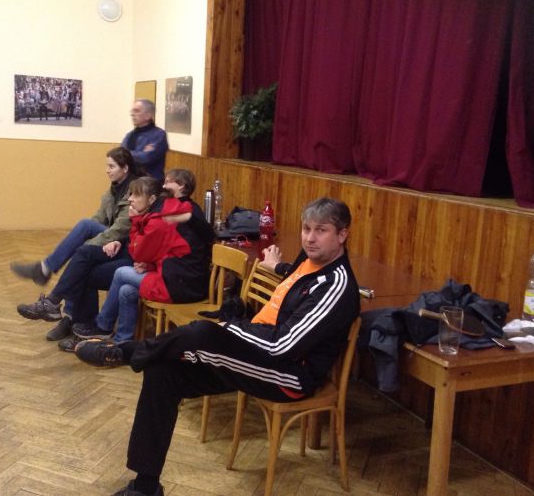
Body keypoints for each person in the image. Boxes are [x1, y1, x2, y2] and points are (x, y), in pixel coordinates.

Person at [75, 198, 360, 496]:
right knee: (162, 371)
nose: (310, 238)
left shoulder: (336, 285)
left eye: (321, 230)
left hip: (287, 375)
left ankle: (126, 352)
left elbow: (282, 346)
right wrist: (277, 268)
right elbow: (297, 284)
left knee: (203, 333)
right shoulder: (310, 260)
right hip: (259, 353)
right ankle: (145, 487)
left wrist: (232, 329)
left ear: (342, 234)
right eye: (306, 228)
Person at [69, 171, 215, 343]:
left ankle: (102, 326)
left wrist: (135, 221)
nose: (163, 186)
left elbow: (138, 253)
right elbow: (167, 250)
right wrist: (150, 264)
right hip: (180, 277)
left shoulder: (170, 214)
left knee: (121, 273)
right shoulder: (179, 210)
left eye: (168, 182)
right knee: (126, 291)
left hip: (179, 283)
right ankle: (123, 342)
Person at [11, 147, 139, 340]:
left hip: (124, 246)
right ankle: (70, 318)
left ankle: (49, 281)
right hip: (112, 241)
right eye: (107, 166)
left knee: (83, 243)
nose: (107, 170)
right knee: (82, 253)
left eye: (111, 166)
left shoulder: (134, 192)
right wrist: (85, 244)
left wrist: (86, 245)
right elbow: (99, 219)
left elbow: (121, 229)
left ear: (125, 168)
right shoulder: (113, 189)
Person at [121, 99, 168, 181]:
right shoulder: (129, 135)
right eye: (132, 111)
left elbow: (146, 158)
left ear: (148, 115)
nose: (132, 114)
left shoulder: (159, 135)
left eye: (137, 111)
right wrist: (140, 152)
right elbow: (119, 155)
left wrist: (127, 154)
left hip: (150, 183)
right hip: (129, 181)